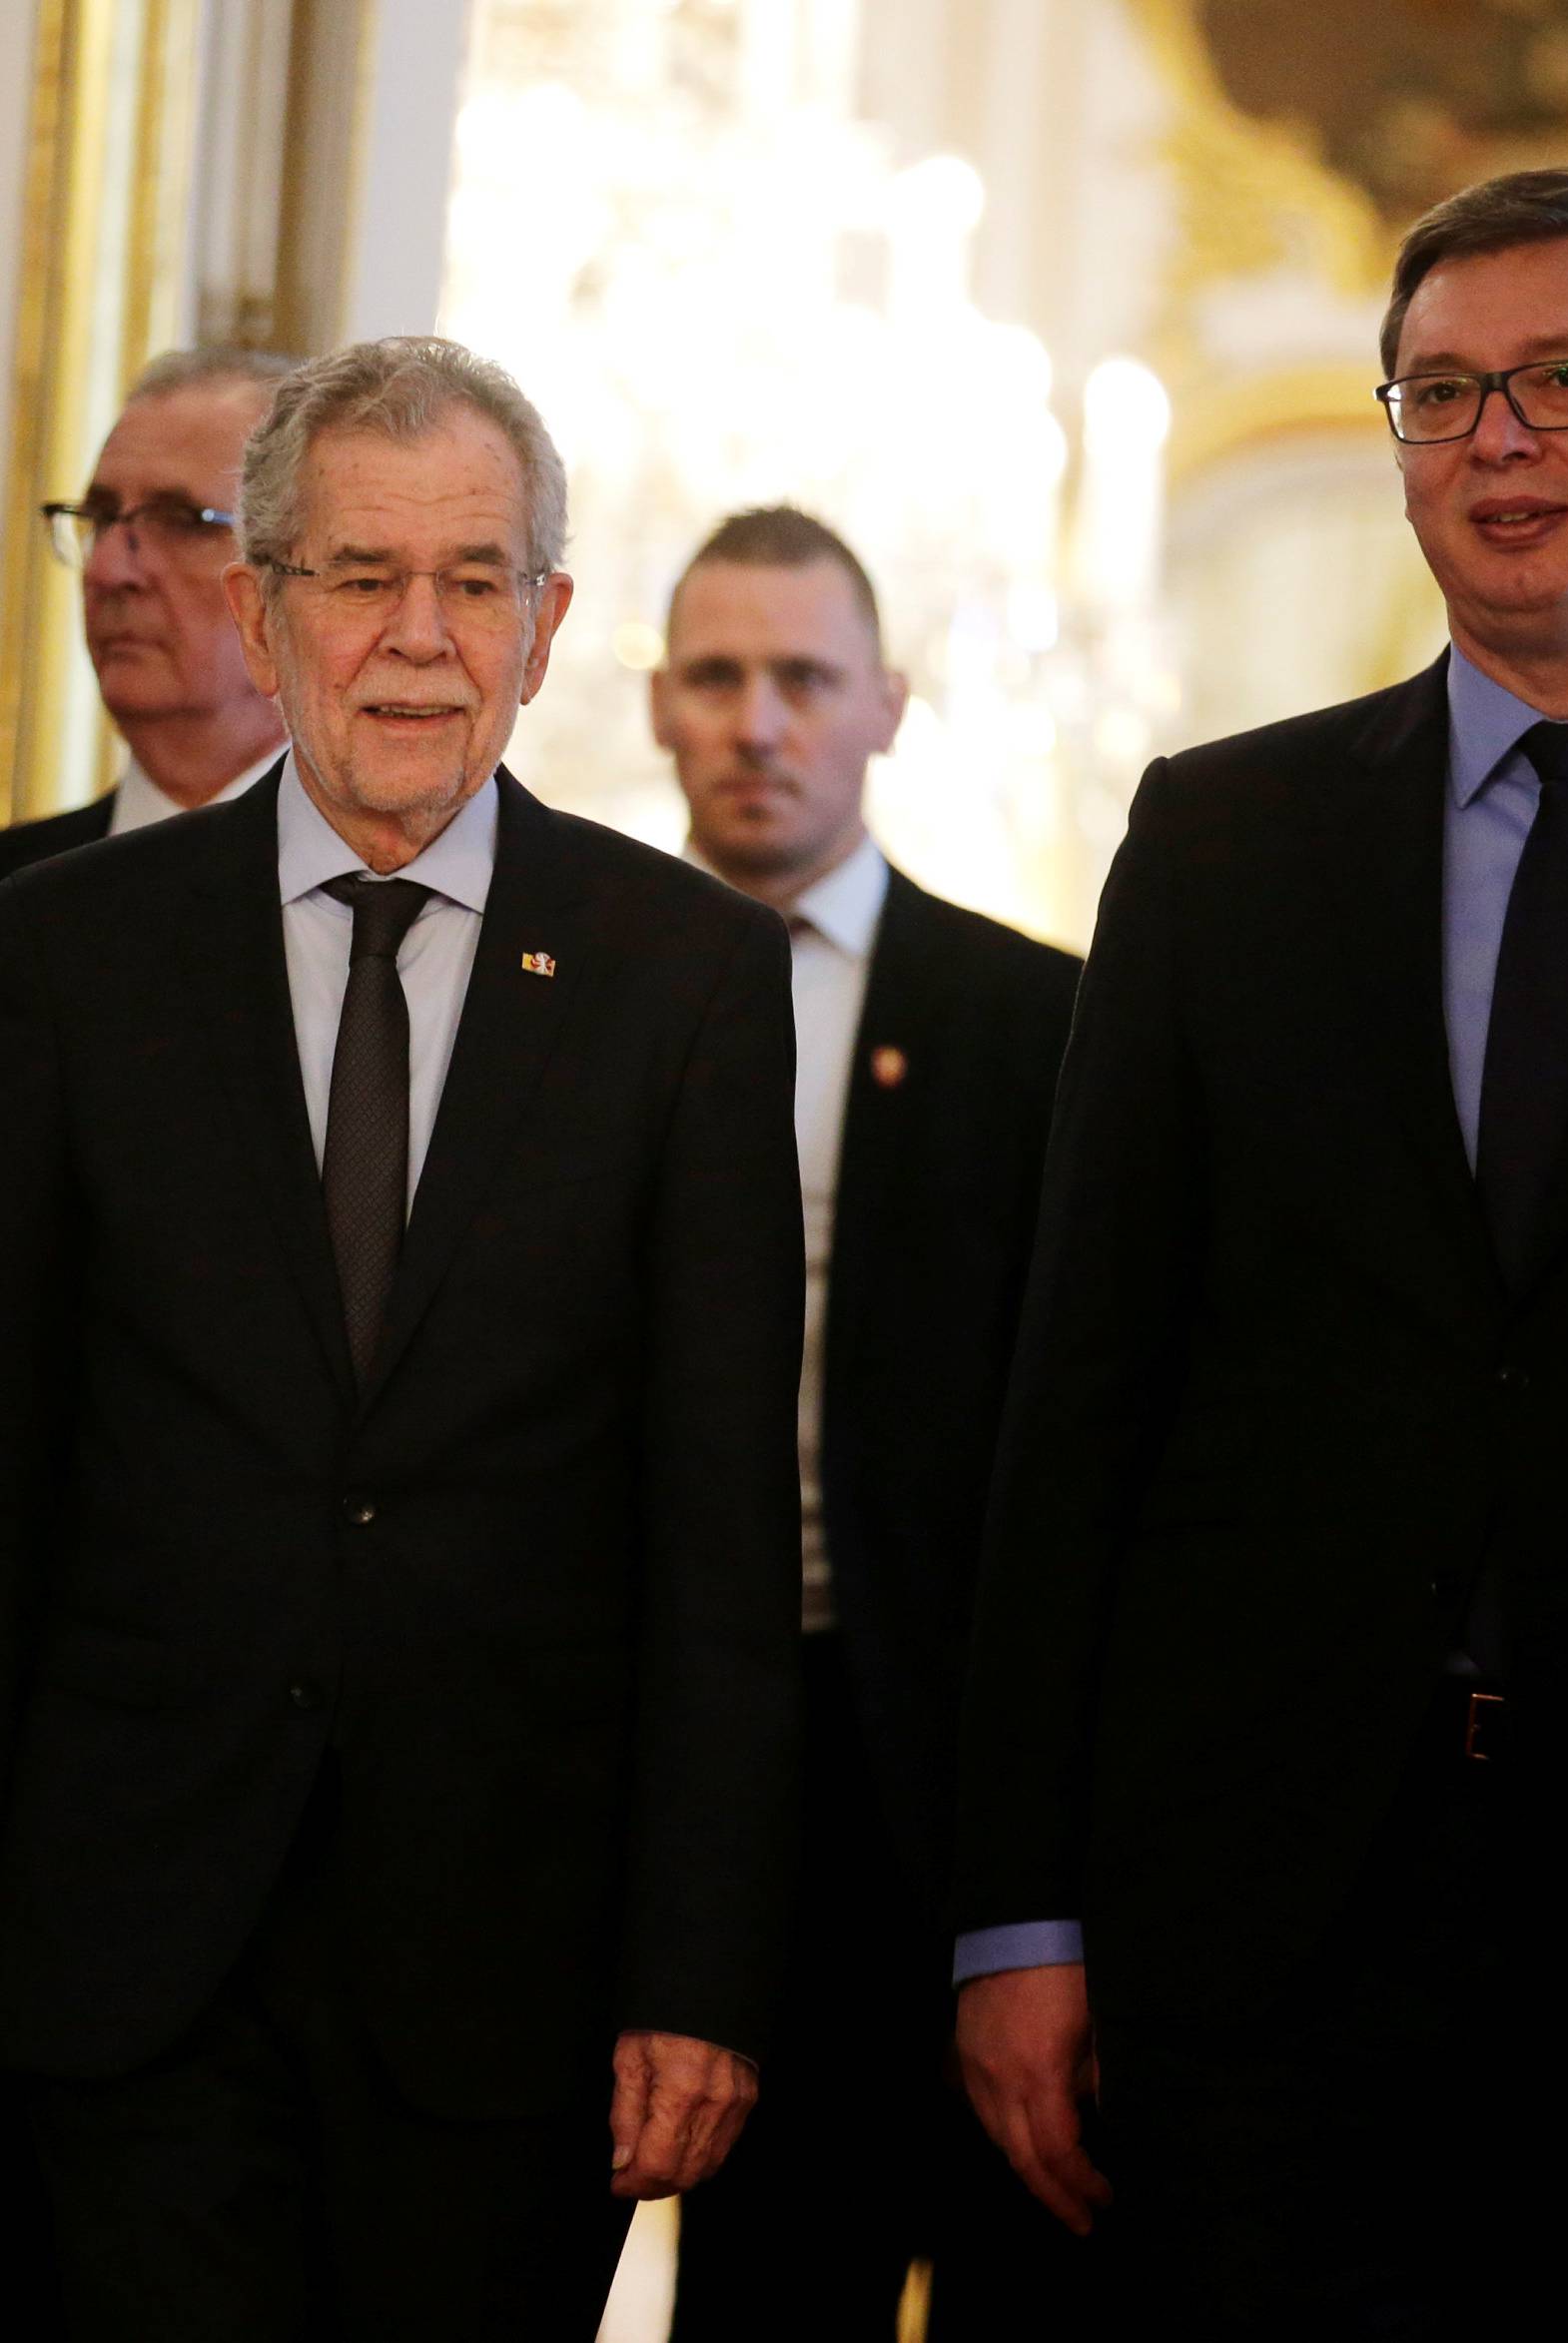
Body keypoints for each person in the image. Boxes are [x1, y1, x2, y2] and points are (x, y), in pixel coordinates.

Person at [950, 169, 1568, 2339]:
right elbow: (1081, 1392)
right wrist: (1014, 1919)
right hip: (1255, 1937)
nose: (1500, 442)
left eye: (1564, 383)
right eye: (1441, 395)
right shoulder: (1220, 843)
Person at [0, 338, 803, 2342]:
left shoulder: (684, 977)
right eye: (360, 577)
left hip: (507, 1992)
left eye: (472, 581)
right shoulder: (67, 955)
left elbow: (716, 1539)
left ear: (544, 627)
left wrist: (696, 1976)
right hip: (121, 1960)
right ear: (263, 614)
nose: (416, 639)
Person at [651, 507, 1084, 2339]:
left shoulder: (1030, 1022)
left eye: (805, 678)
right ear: (656, 704)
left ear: (886, 706)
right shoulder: (562, 989)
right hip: (651, 1769)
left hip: (939, 1786)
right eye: (719, 677)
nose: (762, 722)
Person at [1, 347, 293, 877]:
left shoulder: (389, 904)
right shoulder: (18, 892)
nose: (109, 571)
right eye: (102, 517)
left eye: (180, 521)